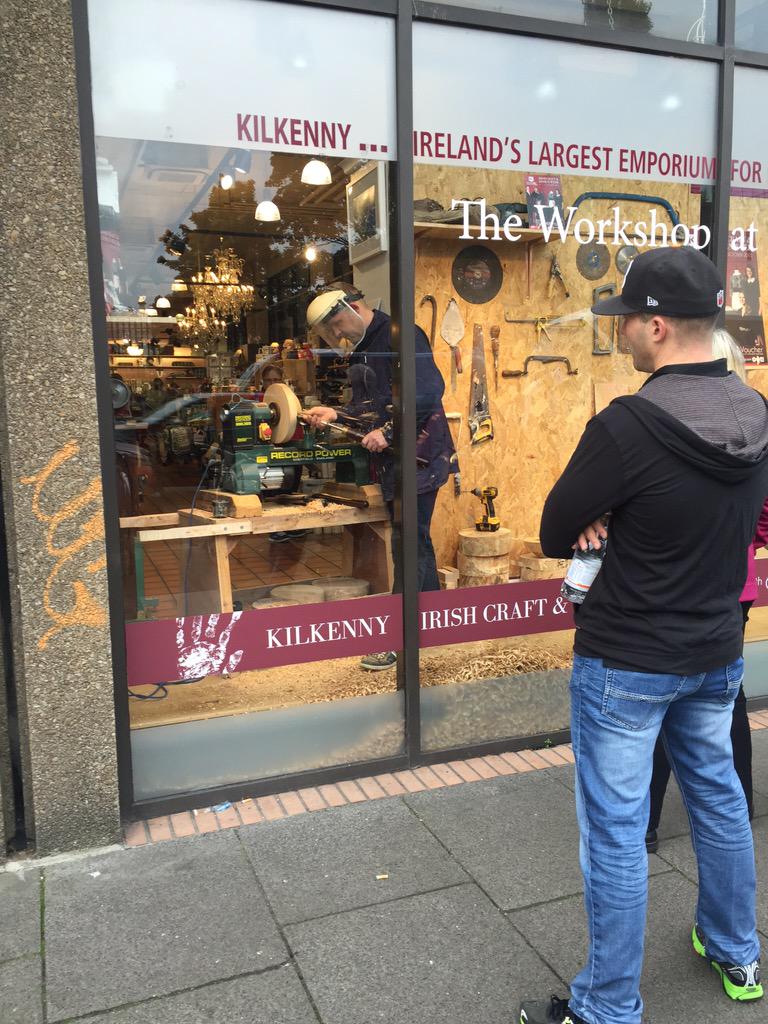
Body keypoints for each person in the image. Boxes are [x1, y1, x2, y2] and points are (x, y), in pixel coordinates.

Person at [521, 247, 768, 1024]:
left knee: (617, 832)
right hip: (716, 650)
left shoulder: (628, 425)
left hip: (626, 660)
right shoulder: (757, 412)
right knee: (721, 802)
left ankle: (605, 1007)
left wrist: (614, 513)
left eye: (626, 319)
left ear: (656, 326)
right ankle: (738, 953)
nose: (621, 331)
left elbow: (557, 527)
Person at [645, 329, 768, 855]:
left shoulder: (672, 425)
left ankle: (646, 821)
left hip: (680, 588)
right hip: (729, 586)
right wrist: (742, 539)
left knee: (662, 699)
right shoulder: (754, 426)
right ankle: (736, 807)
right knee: (723, 695)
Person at [304, 284, 456, 671]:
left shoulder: (399, 335)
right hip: (396, 460)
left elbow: (428, 393)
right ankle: (434, 625)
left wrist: (387, 432)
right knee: (416, 539)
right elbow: (368, 405)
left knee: (407, 544)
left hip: (420, 455)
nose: (336, 334)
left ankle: (398, 639)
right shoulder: (364, 345)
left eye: (336, 323)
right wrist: (336, 414)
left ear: (354, 307)